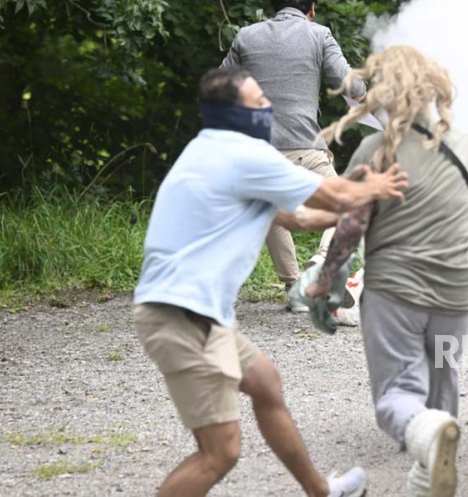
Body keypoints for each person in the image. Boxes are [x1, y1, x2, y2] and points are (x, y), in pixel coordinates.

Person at [132, 66, 407, 497]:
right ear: (234, 113)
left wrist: (360, 210)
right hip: (182, 317)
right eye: (259, 102)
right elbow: (333, 194)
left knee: (265, 384)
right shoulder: (243, 155)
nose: (268, 107)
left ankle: (321, 491)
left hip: (194, 313)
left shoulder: (211, 152)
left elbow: (301, 218)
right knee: (218, 454)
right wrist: (379, 185)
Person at [294, 46, 468, 497]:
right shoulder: (467, 146)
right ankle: (432, 462)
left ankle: (427, 434)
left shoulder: (376, 150)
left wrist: (326, 280)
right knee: (443, 376)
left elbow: (350, 226)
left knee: (396, 393)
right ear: (433, 89)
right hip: (459, 290)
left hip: (397, 290)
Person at [221, 0, 367, 312]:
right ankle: (322, 261)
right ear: (311, 10)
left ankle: (294, 286)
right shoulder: (319, 34)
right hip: (305, 149)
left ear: (275, 8)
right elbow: (352, 87)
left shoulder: (246, 36)